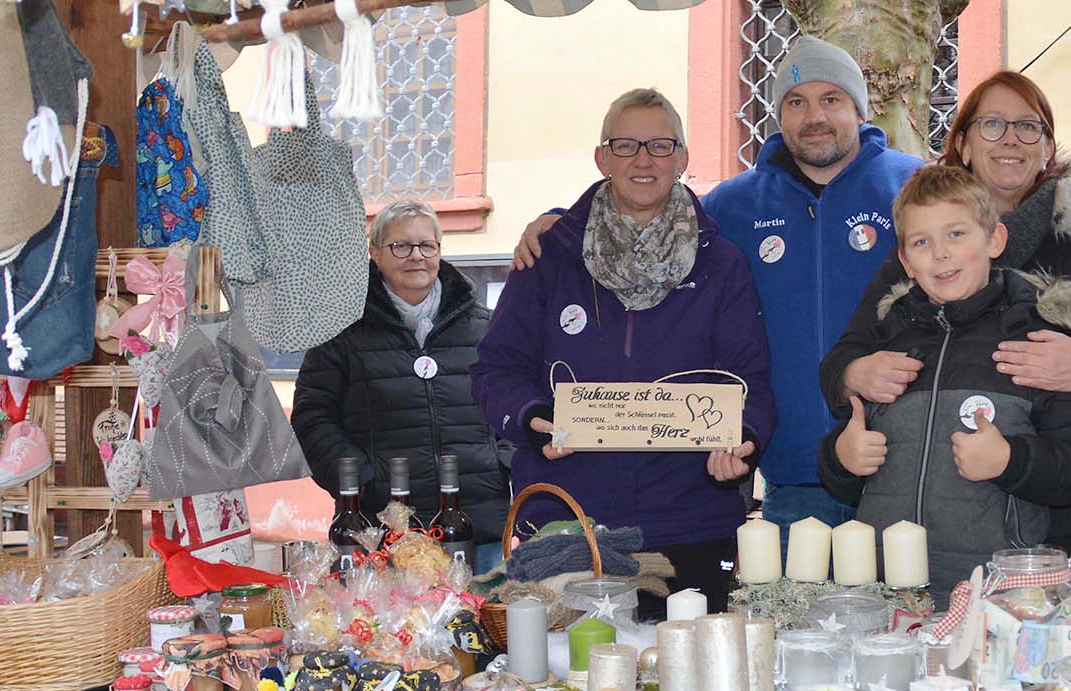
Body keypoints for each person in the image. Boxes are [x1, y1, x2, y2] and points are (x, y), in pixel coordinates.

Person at [515, 38, 921, 532]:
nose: (814, 116)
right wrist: (562, 221)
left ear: (859, 108)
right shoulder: (735, 205)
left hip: (904, 464)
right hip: (794, 479)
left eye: (831, 99)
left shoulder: (912, 186)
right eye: (796, 102)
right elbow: (650, 216)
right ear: (779, 116)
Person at [819, 69, 1071, 573]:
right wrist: (854, 374)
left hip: (1058, 543)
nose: (1010, 139)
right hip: (923, 553)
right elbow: (846, 361)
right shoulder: (915, 269)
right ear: (964, 143)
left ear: (1048, 148)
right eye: (992, 124)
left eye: (1028, 127)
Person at [472, 88, 775, 613]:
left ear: (682, 159)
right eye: (626, 145)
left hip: (690, 524)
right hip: (567, 524)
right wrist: (533, 418)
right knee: (565, 665)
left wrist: (742, 439)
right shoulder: (549, 255)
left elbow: (750, 381)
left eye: (660, 146)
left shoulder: (721, 263)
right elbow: (495, 370)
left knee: (687, 663)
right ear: (602, 158)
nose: (643, 160)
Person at [818, 165, 1071, 596]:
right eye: (922, 242)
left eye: (956, 234)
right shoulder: (886, 340)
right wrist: (841, 459)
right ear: (905, 261)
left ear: (994, 240)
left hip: (996, 596)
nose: (941, 254)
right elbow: (845, 463)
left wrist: (1010, 460)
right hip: (886, 595)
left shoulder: (1034, 340)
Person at [292, 200, 511, 571]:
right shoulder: (342, 330)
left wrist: (502, 464)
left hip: (476, 526)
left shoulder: (485, 327)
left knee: (482, 610)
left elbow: (512, 402)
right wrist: (360, 481)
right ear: (374, 252)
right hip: (381, 529)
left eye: (427, 246)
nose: (416, 256)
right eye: (400, 246)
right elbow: (312, 417)